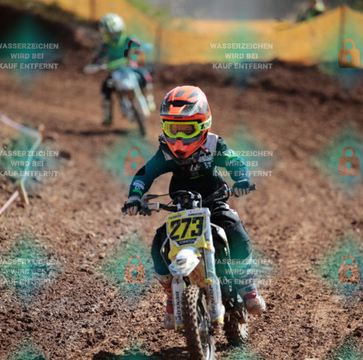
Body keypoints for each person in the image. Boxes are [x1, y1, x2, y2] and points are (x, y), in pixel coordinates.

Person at [123, 85, 266, 329]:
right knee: (159, 245)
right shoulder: (166, 151)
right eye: (173, 129)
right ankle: (172, 296)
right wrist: (134, 197)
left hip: (214, 202)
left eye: (186, 129)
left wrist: (241, 180)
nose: (179, 138)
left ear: (203, 124)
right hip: (182, 209)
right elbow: (145, 173)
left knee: (235, 229)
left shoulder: (214, 144)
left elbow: (235, 162)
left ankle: (247, 285)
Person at [83, 13, 155, 125]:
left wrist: (145, 48)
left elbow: (143, 46)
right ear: (105, 34)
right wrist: (93, 66)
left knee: (145, 75)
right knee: (106, 87)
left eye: (116, 33)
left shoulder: (129, 40)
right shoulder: (105, 47)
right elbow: (95, 60)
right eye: (110, 34)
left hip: (131, 69)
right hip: (115, 73)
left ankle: (149, 98)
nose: (114, 37)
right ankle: (107, 115)